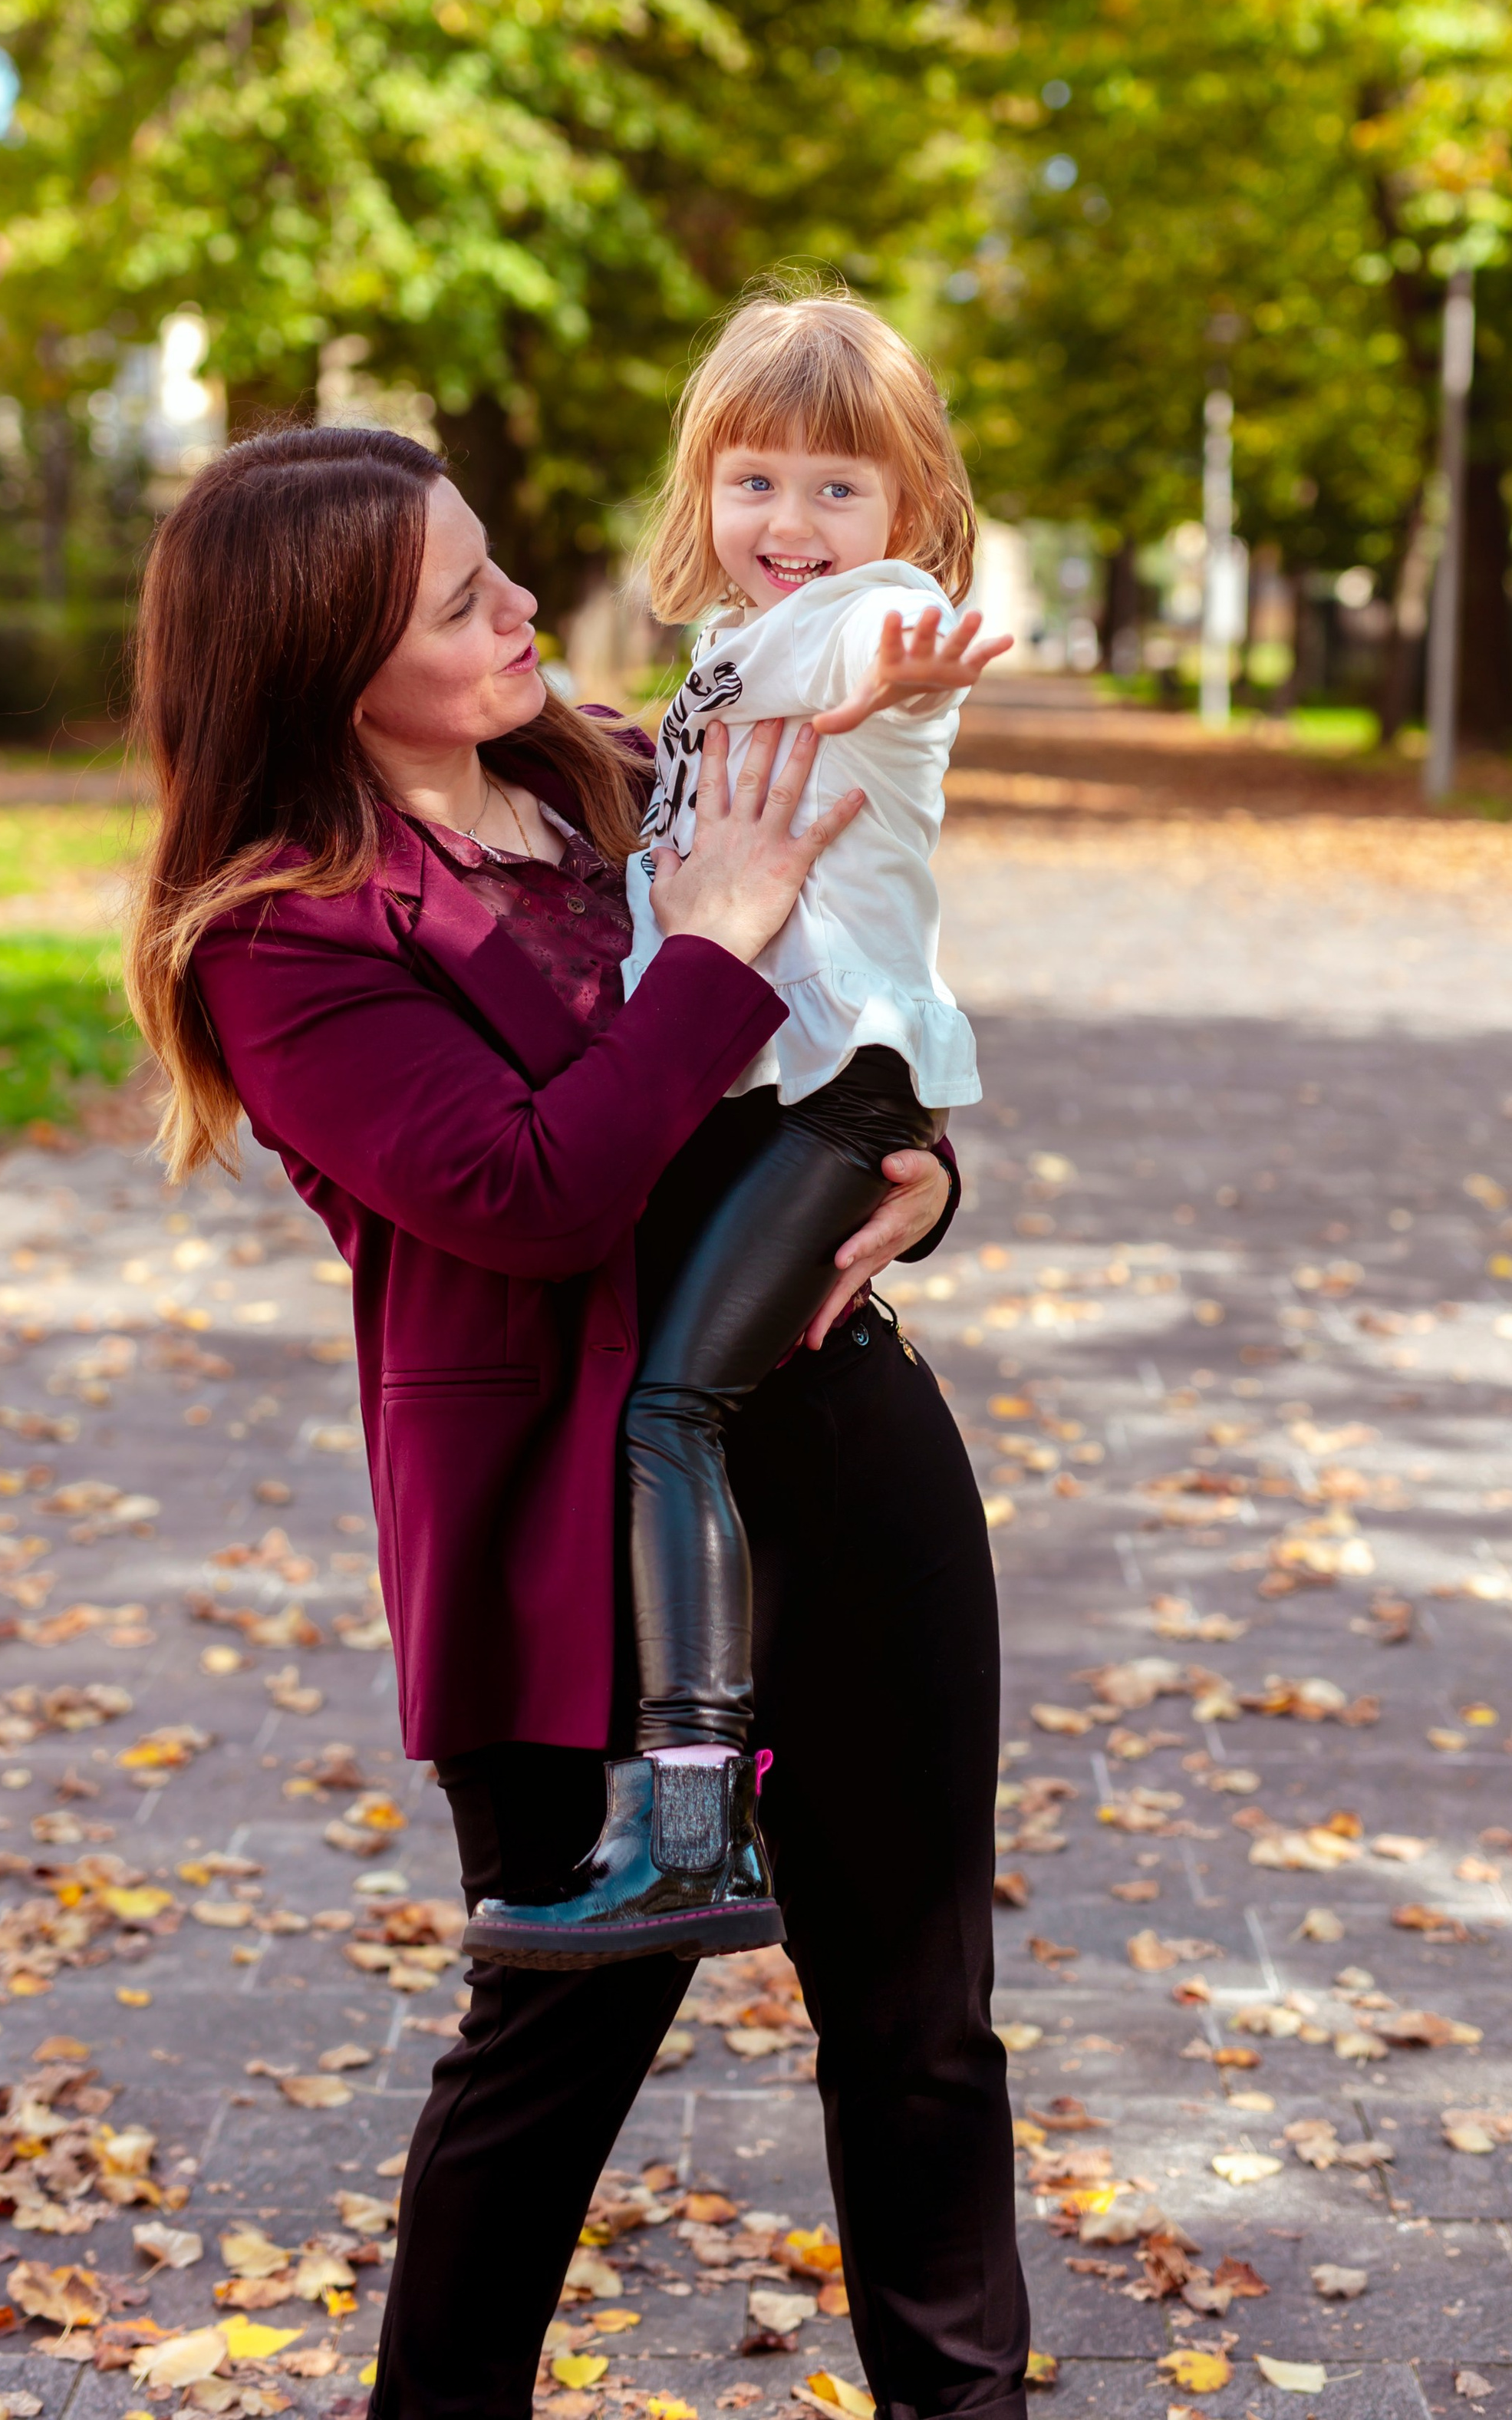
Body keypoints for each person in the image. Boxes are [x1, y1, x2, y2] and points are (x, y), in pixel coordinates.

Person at [124, 421, 1029, 2420]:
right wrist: (703, 941)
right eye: (461, 603)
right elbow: (534, 1197)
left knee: (923, 2028)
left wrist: (932, 1181)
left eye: (494, 564)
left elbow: (862, 996)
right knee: (554, 2056)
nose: (523, 604)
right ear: (320, 668)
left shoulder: (605, 770)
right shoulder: (291, 936)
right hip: (569, 1535)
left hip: (842, 1449)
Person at [466, 288, 1010, 1970]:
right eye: (755, 481)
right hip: (784, 1081)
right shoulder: (717, 657)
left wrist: (892, 659)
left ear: (905, 514)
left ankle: (688, 1819)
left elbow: (875, 665)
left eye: (837, 488)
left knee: (671, 1405)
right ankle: (687, 1803)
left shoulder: (872, 620)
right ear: (703, 485)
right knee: (679, 1400)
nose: (792, 522)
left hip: (836, 1076)